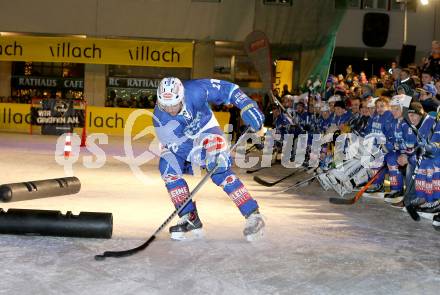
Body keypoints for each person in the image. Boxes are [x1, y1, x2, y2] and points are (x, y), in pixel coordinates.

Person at [153, 77, 265, 241]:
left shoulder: (195, 89)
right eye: (165, 105)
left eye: (173, 105)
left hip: (206, 127)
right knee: (168, 168)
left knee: (219, 170)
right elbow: (182, 150)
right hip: (182, 140)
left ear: (182, 97)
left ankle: (253, 215)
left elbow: (230, 89)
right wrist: (204, 160)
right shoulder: (160, 119)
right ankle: (189, 216)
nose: (169, 110)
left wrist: (247, 105)